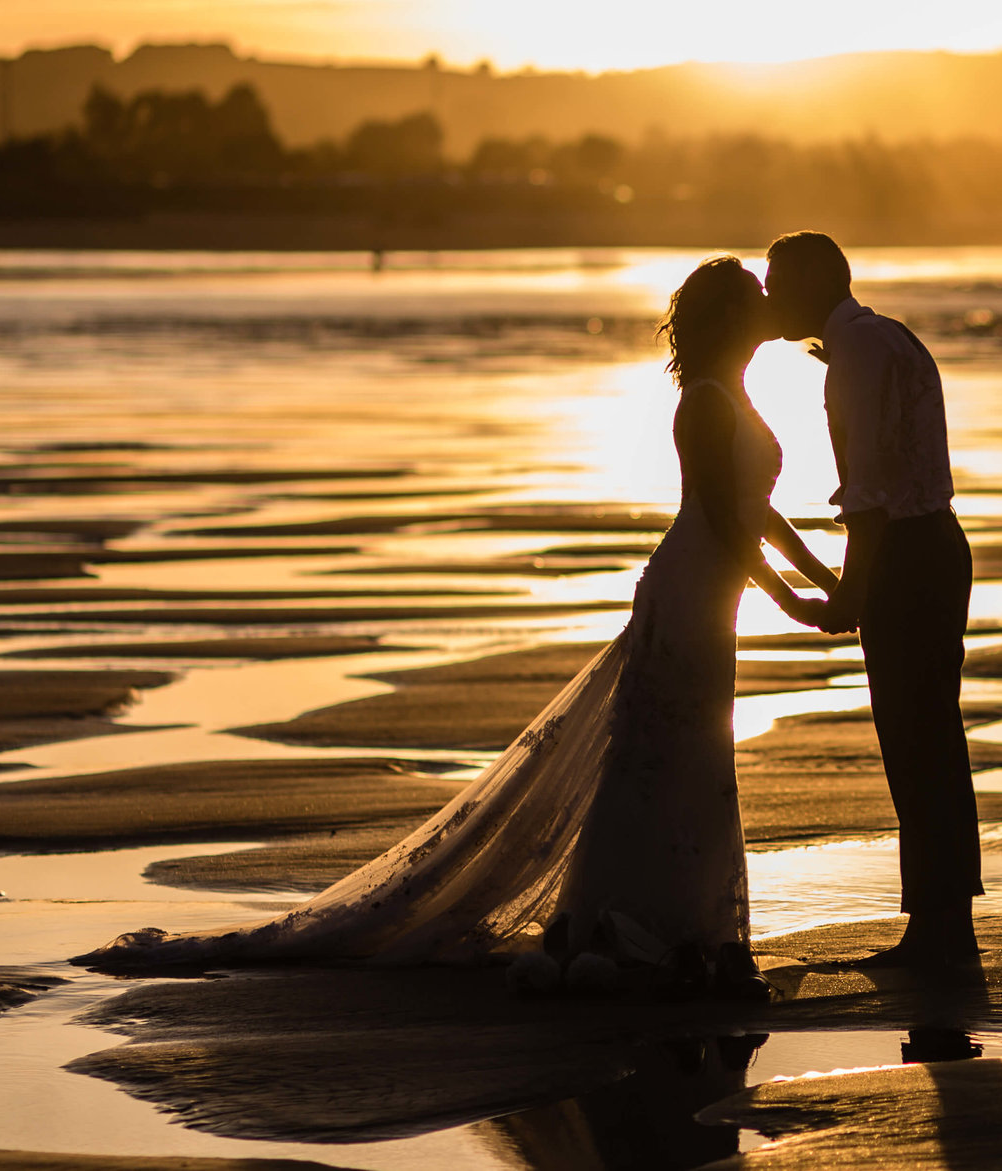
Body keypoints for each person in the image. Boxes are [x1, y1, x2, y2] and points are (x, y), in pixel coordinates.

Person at [72, 256, 841, 991]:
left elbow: (756, 512)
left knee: (689, 759)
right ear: (730, 315)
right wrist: (792, 599)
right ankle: (619, 922)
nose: (768, 302)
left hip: (716, 597)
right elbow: (717, 514)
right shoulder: (707, 398)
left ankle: (669, 924)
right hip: (689, 594)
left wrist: (822, 577)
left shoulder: (737, 394)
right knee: (662, 757)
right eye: (754, 293)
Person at [762, 231, 981, 969]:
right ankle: (945, 922)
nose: (769, 297)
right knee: (932, 738)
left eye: (776, 282)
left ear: (816, 282)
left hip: (908, 554)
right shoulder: (884, 336)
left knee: (914, 738)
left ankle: (938, 931)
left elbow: (873, 488)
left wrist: (850, 589)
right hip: (935, 545)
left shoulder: (855, 352)